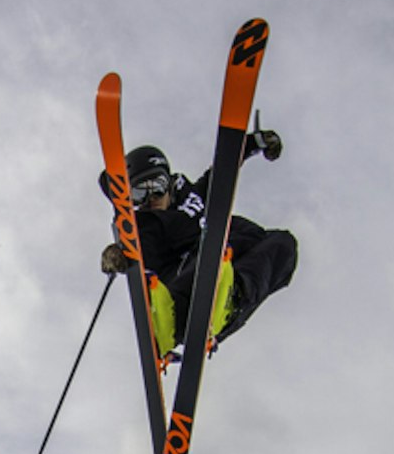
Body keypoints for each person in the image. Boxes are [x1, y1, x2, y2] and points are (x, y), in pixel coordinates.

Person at [100, 130, 298, 353]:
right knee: (202, 252)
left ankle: (229, 298)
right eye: (138, 194)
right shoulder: (145, 223)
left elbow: (221, 174)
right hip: (183, 282)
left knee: (283, 244)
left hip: (231, 262)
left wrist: (255, 142)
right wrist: (116, 256)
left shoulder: (190, 196)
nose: (150, 199)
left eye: (157, 186)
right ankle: (167, 321)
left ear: (169, 182)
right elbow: (135, 246)